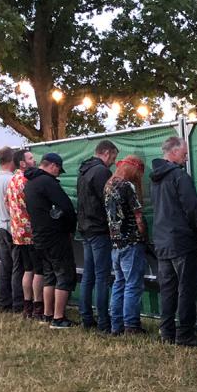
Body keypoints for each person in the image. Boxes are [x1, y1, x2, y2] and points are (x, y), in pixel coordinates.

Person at [151, 135, 197, 346]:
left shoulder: (155, 178)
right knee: (186, 288)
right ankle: (185, 333)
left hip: (161, 240)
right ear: (174, 152)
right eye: (184, 153)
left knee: (168, 289)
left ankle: (166, 330)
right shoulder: (179, 177)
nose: (186, 157)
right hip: (181, 241)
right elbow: (192, 210)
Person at [26, 153, 77, 329]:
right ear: (53, 166)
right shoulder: (48, 182)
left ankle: (47, 314)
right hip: (55, 235)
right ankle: (58, 317)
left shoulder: (30, 183)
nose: (58, 174)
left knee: (49, 275)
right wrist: (70, 226)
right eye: (59, 171)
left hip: (39, 236)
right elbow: (66, 206)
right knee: (64, 274)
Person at [77, 139, 119, 331]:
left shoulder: (83, 171)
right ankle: (103, 321)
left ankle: (86, 316)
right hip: (99, 228)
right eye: (113, 157)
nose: (113, 162)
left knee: (89, 275)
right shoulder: (102, 172)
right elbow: (109, 201)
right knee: (102, 276)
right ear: (107, 153)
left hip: (85, 228)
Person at [106, 156, 148, 335]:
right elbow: (138, 217)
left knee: (119, 283)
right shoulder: (127, 186)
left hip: (115, 243)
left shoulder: (108, 185)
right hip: (131, 242)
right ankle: (131, 325)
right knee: (132, 285)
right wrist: (143, 233)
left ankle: (116, 325)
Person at [5, 148, 41, 318]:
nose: (34, 161)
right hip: (31, 231)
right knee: (37, 271)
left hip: (18, 233)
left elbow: (7, 203)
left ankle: (27, 306)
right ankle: (37, 306)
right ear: (22, 163)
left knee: (27, 269)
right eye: (31, 158)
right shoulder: (27, 180)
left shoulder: (12, 180)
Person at [0, 146, 21, 313]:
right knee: (16, 267)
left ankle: (5, 301)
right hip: (12, 226)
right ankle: (17, 302)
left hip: (2, 225)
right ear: (13, 160)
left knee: (5, 266)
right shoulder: (11, 179)